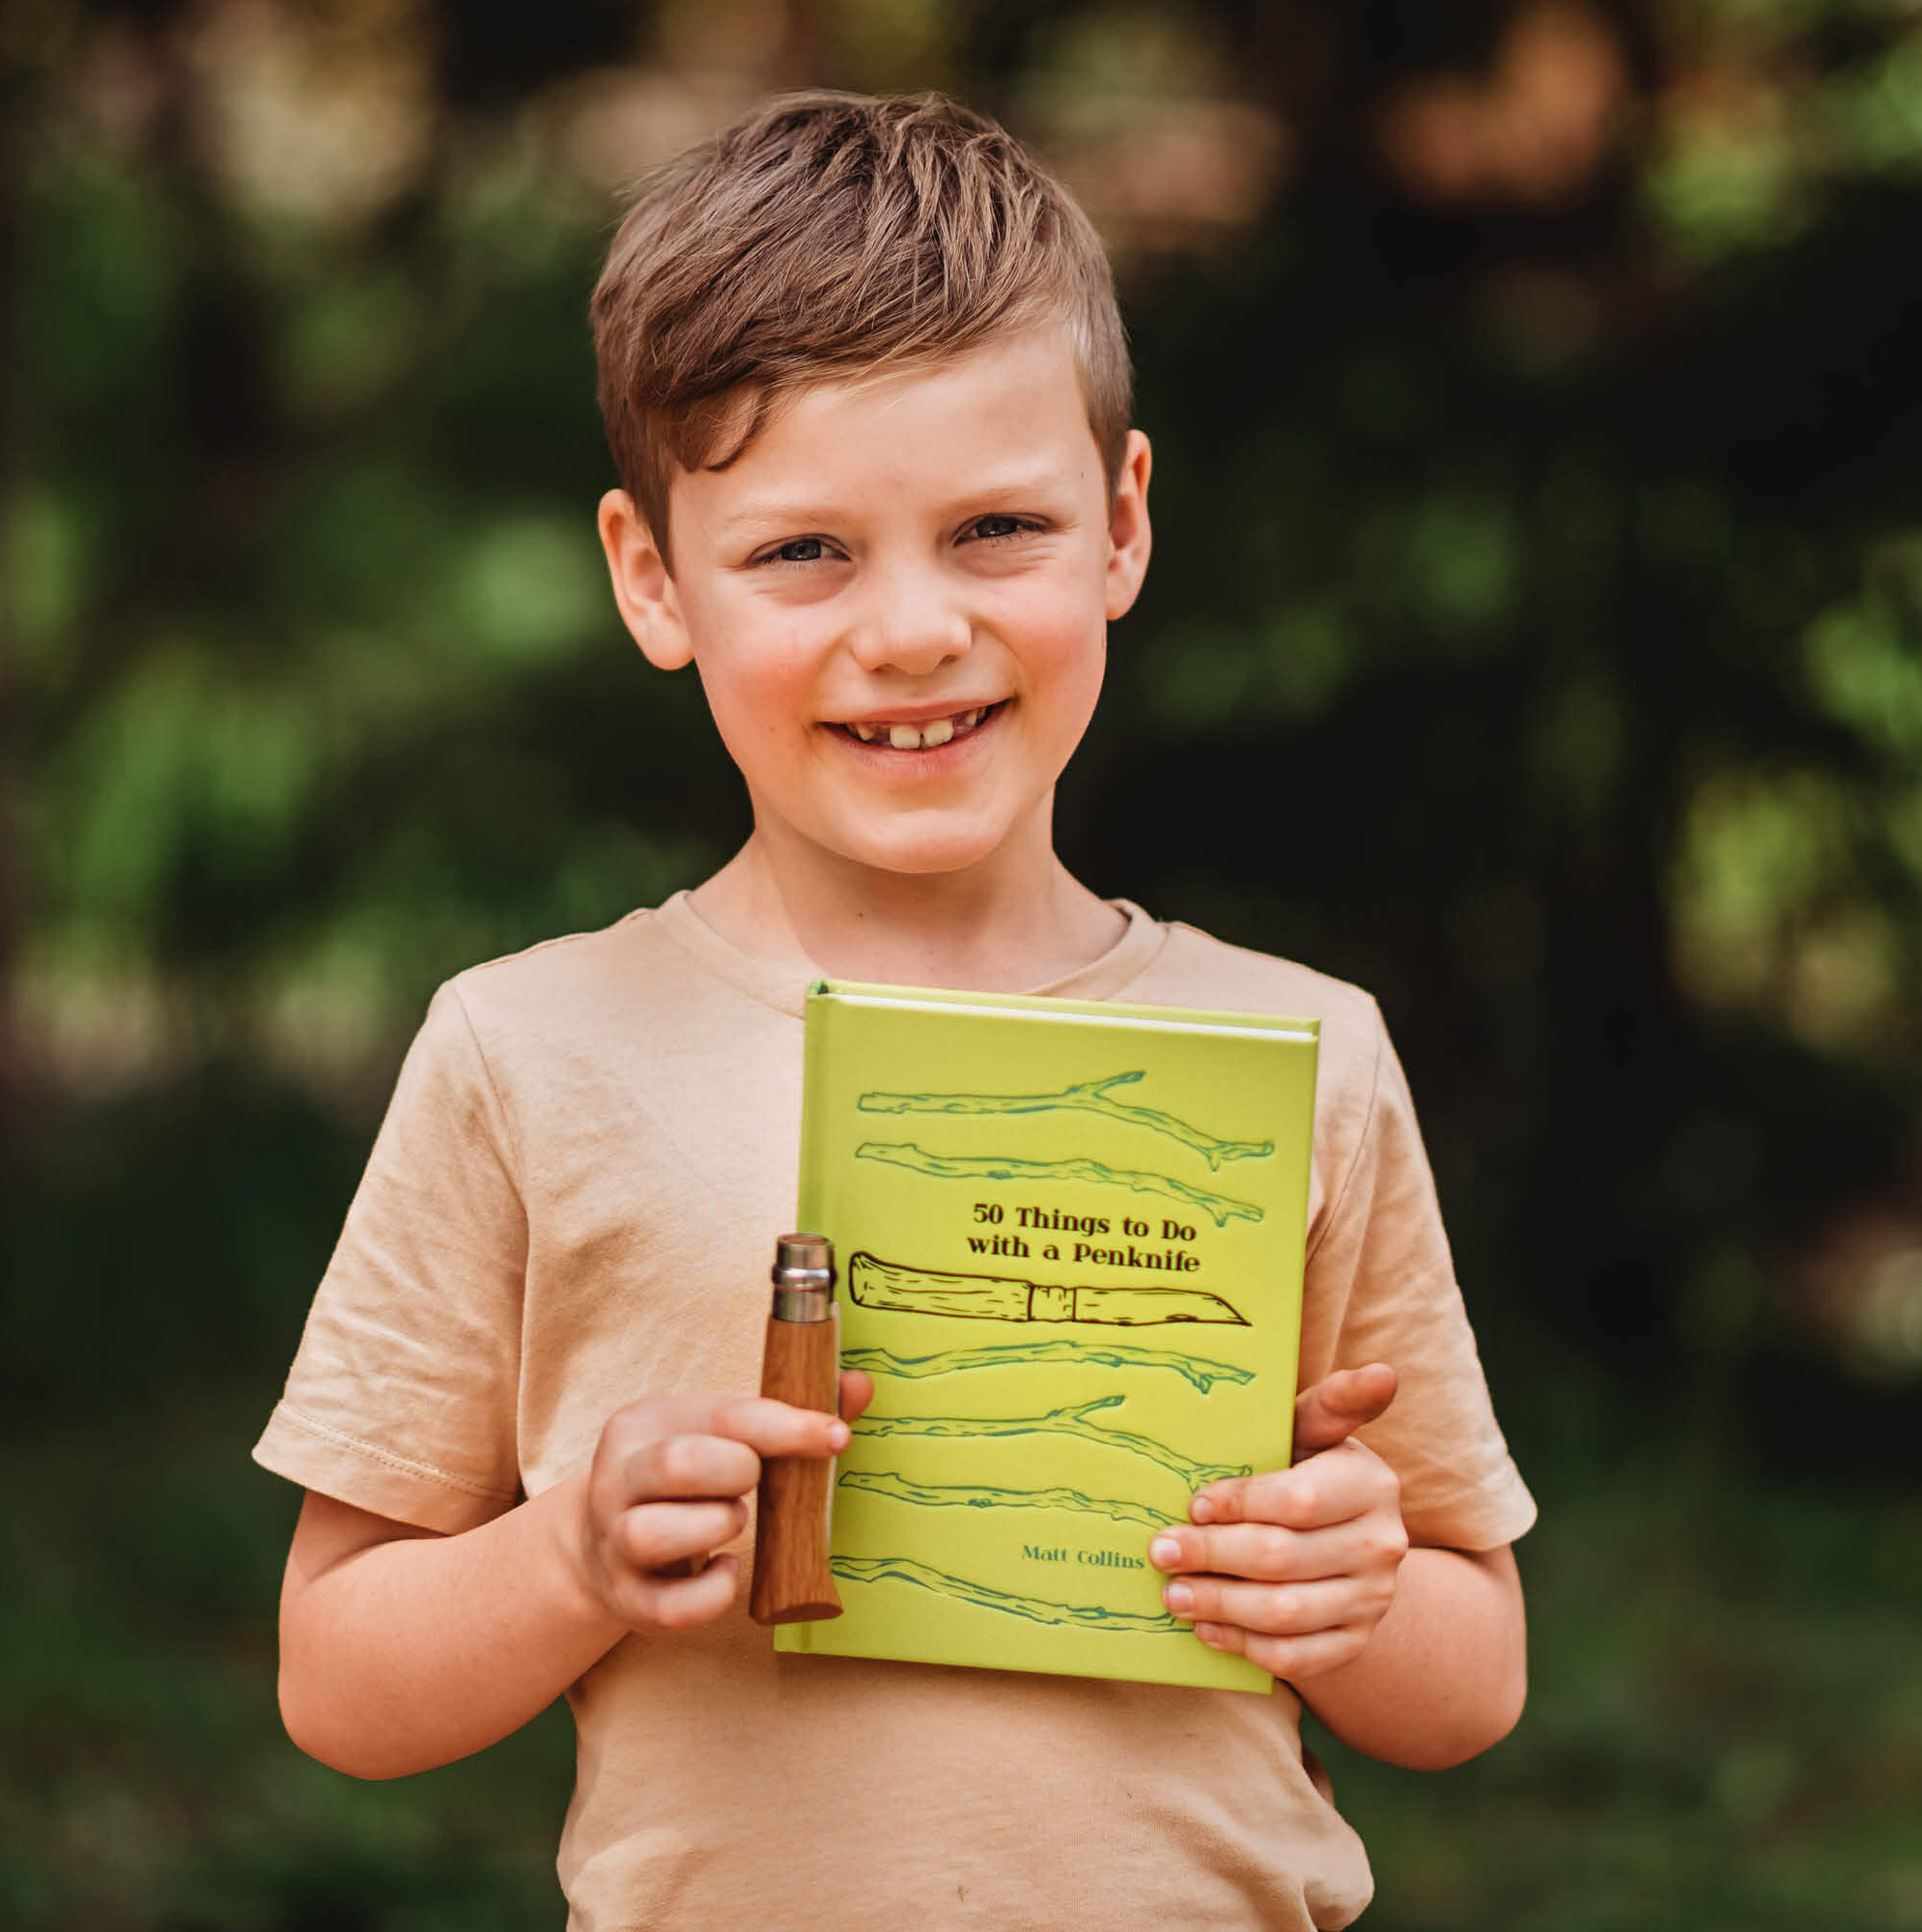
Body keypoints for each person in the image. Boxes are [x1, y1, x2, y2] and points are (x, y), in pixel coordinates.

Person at [255, 90, 1534, 1930]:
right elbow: (336, 1684)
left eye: (997, 526)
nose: (913, 628)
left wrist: (1360, 1596)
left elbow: (1470, 1677)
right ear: (650, 576)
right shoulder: (529, 1050)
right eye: (804, 551)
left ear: (1122, 525)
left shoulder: (1301, 1052)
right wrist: (572, 1558)